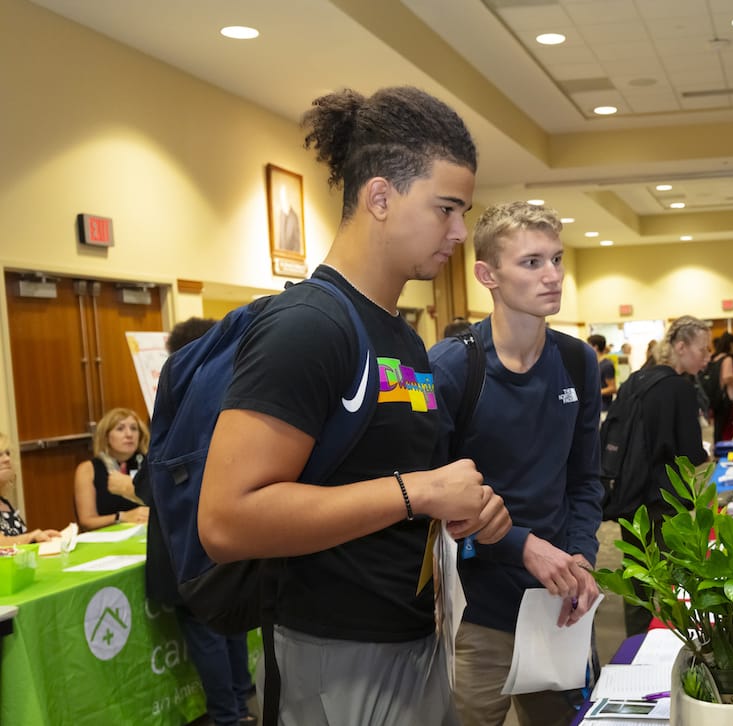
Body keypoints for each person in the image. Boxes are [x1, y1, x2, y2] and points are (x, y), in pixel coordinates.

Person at [198, 86, 511, 726]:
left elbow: (388, 475)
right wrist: (419, 492)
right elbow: (227, 521)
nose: (460, 233)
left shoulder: (400, 336)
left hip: (416, 637)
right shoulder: (308, 326)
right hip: (332, 654)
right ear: (380, 197)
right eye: (447, 209)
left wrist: (463, 507)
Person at [428, 202, 602, 726]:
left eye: (557, 259)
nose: (552, 276)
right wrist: (522, 545)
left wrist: (582, 556)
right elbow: (430, 501)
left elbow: (585, 479)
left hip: (559, 605)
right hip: (477, 613)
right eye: (531, 263)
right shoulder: (451, 367)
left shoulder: (577, 360)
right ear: (488, 275)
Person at [119, 318, 258, 726]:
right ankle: (241, 702)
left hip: (186, 545)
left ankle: (228, 715)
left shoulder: (180, 402)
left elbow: (154, 484)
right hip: (227, 540)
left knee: (206, 630)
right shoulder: (233, 393)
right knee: (227, 623)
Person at [615, 315, 711, 635]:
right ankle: (674, 645)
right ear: (681, 347)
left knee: (638, 578)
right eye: (703, 349)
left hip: (629, 494)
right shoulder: (678, 388)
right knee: (673, 582)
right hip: (665, 499)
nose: (707, 357)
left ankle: (636, 642)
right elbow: (690, 454)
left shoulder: (635, 380)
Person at [73, 407, 149, 531]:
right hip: (105, 538)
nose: (129, 434)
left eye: (134, 428)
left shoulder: (149, 464)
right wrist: (122, 517)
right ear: (106, 436)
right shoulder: (88, 469)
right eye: (120, 428)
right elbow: (86, 521)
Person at [0, 432, 61, 545]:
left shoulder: (4, 503)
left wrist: (41, 537)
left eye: (7, 453)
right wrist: (31, 537)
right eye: (0, 455)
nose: (7, 459)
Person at [588, 334, 617, 411]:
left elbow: (612, 388)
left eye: (588, 345)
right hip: (593, 406)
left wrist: (594, 393)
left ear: (595, 347)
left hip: (604, 407)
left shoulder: (607, 365)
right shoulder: (593, 363)